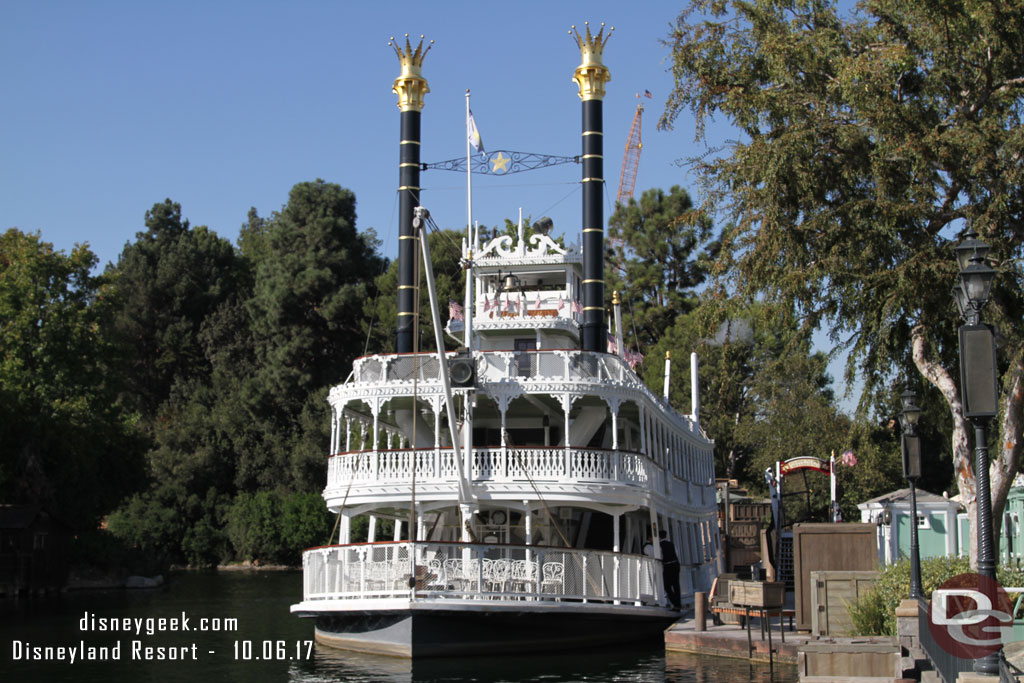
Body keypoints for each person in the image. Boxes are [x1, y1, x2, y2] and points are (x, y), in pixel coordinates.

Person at [659, 529, 681, 610]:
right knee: (676, 585)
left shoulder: (660, 545)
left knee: (667, 586)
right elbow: (676, 553)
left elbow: (660, 556)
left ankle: (675, 603)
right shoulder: (671, 544)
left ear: (659, 537)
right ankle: (678, 604)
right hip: (675, 564)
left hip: (668, 566)